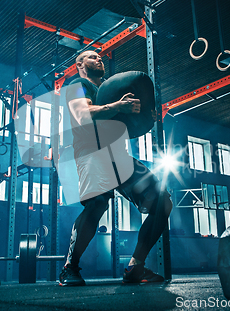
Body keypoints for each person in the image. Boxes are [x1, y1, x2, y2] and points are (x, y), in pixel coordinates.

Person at [59, 50, 172, 286]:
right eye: (92, 57)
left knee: (162, 201)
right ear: (80, 64)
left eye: (100, 56)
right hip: (91, 151)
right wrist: (120, 106)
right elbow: (82, 115)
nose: (98, 58)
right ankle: (70, 267)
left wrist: (145, 117)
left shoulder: (111, 93)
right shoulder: (76, 85)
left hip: (118, 155)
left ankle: (135, 267)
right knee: (98, 203)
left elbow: (126, 124)